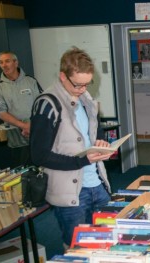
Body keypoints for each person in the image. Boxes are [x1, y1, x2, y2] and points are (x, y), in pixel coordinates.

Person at [29, 47, 113, 246]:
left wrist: (100, 141)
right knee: (78, 248)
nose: (83, 89)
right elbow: (39, 155)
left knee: (106, 242)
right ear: (62, 76)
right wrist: (81, 160)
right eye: (78, 84)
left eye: (87, 84)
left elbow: (94, 131)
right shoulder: (47, 104)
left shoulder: (85, 100)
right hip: (71, 194)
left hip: (98, 185)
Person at [0, 51, 43, 167]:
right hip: (17, 141)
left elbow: (42, 105)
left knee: (42, 174)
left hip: (37, 137)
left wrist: (31, 125)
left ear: (16, 62)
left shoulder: (31, 81)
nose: (4, 65)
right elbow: (2, 113)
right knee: (22, 176)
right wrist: (23, 126)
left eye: (7, 61)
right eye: (1, 63)